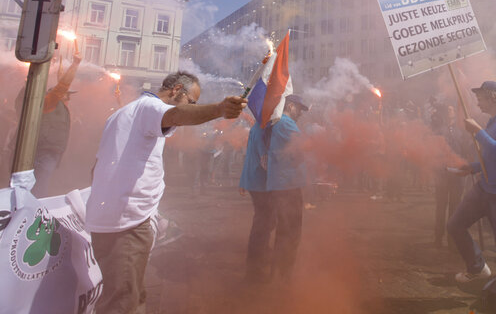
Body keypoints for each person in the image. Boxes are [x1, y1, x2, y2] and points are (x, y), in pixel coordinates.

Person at [86, 71, 246, 313]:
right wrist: (219, 109)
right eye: (192, 101)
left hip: (114, 219)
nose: (192, 107)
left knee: (131, 295)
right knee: (123, 303)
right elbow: (177, 114)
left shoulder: (124, 113)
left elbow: (96, 168)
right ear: (176, 89)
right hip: (125, 223)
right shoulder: (150, 107)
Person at [446, 80, 496, 314]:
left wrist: (477, 131)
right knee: (455, 225)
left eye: (480, 97)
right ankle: (477, 266)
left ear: (492, 97)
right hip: (485, 188)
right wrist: (472, 167)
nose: (477, 101)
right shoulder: (493, 121)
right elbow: (489, 160)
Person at [240, 94, 309, 282]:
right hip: (285, 184)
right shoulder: (283, 123)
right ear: (291, 106)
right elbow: (304, 147)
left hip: (273, 183)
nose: (301, 114)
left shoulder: (269, 123)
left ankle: (262, 268)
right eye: (300, 109)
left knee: (269, 225)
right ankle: (277, 274)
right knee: (286, 229)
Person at [25, 54, 82, 197]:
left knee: (40, 185)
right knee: (38, 188)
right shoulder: (50, 102)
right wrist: (75, 64)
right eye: (66, 94)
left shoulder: (61, 107)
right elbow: (62, 86)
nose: (68, 97)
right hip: (43, 153)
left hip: (51, 153)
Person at [433, 104, 469, 247]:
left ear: (454, 113)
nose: (449, 111)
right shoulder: (437, 131)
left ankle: (451, 238)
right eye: (447, 109)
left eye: (451, 109)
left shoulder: (461, 131)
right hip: (442, 172)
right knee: (440, 206)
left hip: (457, 174)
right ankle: (438, 237)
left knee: (455, 207)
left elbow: (465, 150)